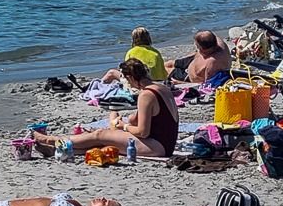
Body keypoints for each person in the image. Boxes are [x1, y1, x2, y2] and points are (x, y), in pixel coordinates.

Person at [36, 58, 179, 158]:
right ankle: (55, 149)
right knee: (102, 143)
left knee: (100, 135)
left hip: (157, 146)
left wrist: (124, 126)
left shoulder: (146, 95)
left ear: (130, 77)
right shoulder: (161, 87)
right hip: (166, 143)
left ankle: (51, 140)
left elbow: (143, 132)